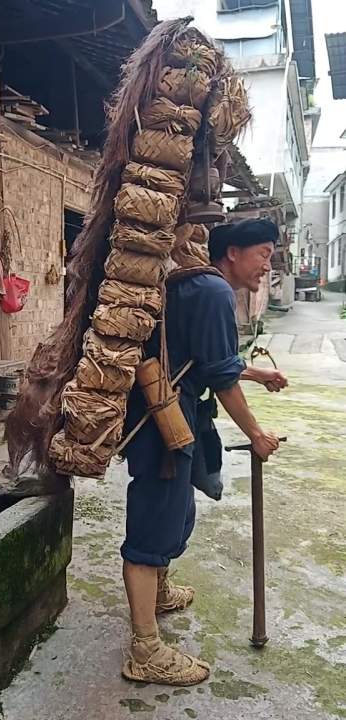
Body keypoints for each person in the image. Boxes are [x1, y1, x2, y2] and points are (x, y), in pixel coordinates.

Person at [121, 218, 288, 687]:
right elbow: (221, 379)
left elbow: (208, 358)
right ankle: (145, 649)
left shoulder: (196, 285)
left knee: (176, 513)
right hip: (162, 424)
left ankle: (157, 594)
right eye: (263, 255)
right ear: (232, 252)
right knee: (153, 524)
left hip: (174, 413)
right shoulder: (214, 292)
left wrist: (258, 374)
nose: (266, 267)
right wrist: (255, 433)